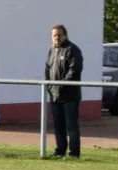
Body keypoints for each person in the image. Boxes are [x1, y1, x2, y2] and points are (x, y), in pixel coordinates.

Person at [45, 24, 83, 158]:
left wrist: (61, 85)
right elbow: (47, 70)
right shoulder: (52, 50)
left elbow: (74, 70)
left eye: (59, 35)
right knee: (58, 125)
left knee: (71, 126)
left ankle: (74, 153)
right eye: (54, 35)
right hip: (55, 95)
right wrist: (50, 86)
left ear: (65, 35)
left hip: (70, 95)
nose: (57, 37)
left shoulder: (72, 49)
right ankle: (60, 151)